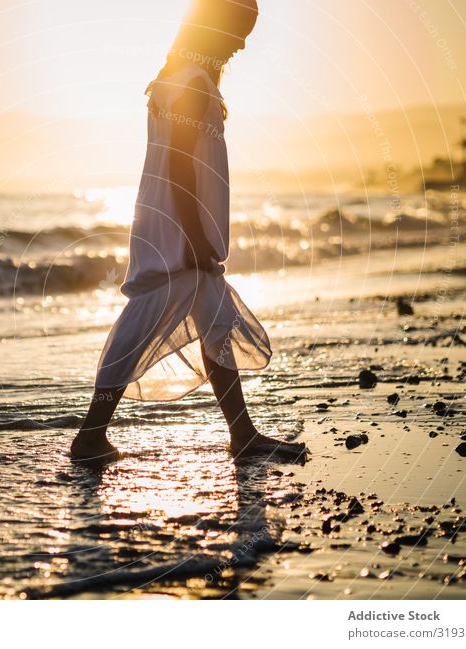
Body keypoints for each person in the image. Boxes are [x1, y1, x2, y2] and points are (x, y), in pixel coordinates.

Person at [71, 0, 307, 463]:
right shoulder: (192, 85)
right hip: (179, 228)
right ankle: (90, 435)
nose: (241, 43)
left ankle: (242, 435)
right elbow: (178, 167)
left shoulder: (175, 79)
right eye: (238, 30)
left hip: (172, 221)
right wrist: (197, 237)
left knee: (216, 323)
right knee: (140, 324)